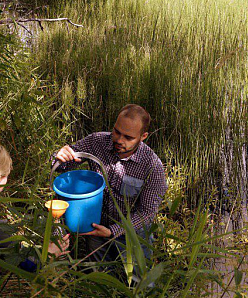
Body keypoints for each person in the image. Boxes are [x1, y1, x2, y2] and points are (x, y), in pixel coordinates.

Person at [54, 104, 167, 263]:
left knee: (137, 281)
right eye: (117, 132)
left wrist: (113, 231)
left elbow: (147, 212)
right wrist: (60, 157)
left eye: (128, 137)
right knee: (100, 275)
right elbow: (62, 165)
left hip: (132, 234)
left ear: (143, 136)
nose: (119, 140)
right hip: (96, 228)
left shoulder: (152, 166)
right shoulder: (96, 142)